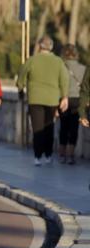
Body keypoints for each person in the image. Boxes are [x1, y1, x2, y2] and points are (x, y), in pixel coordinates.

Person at [17, 36, 69, 166]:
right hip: (52, 99)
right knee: (48, 127)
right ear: (51, 47)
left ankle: (37, 156)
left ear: (40, 46)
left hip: (35, 99)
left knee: (37, 128)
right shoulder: (58, 61)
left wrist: (20, 88)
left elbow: (21, 75)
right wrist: (64, 96)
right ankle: (48, 155)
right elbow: (64, 79)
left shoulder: (32, 60)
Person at [58, 44, 86, 164]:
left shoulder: (60, 67)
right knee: (73, 128)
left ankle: (62, 155)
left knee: (63, 127)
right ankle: (70, 156)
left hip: (63, 99)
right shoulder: (83, 68)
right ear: (76, 54)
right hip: (77, 100)